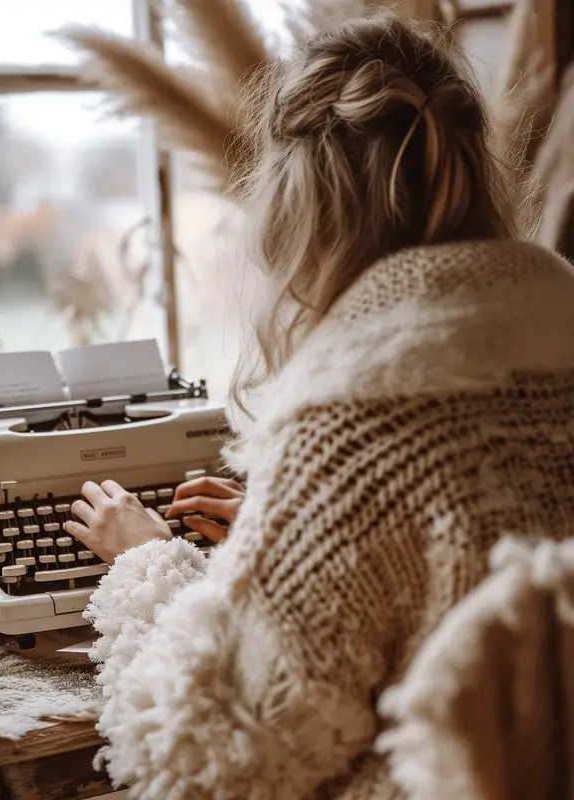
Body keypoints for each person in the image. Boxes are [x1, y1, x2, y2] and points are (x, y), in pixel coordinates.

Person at [63, 12, 574, 799]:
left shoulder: (349, 429)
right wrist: (284, 526)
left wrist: (143, 560)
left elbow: (205, 752)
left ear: (299, 209)